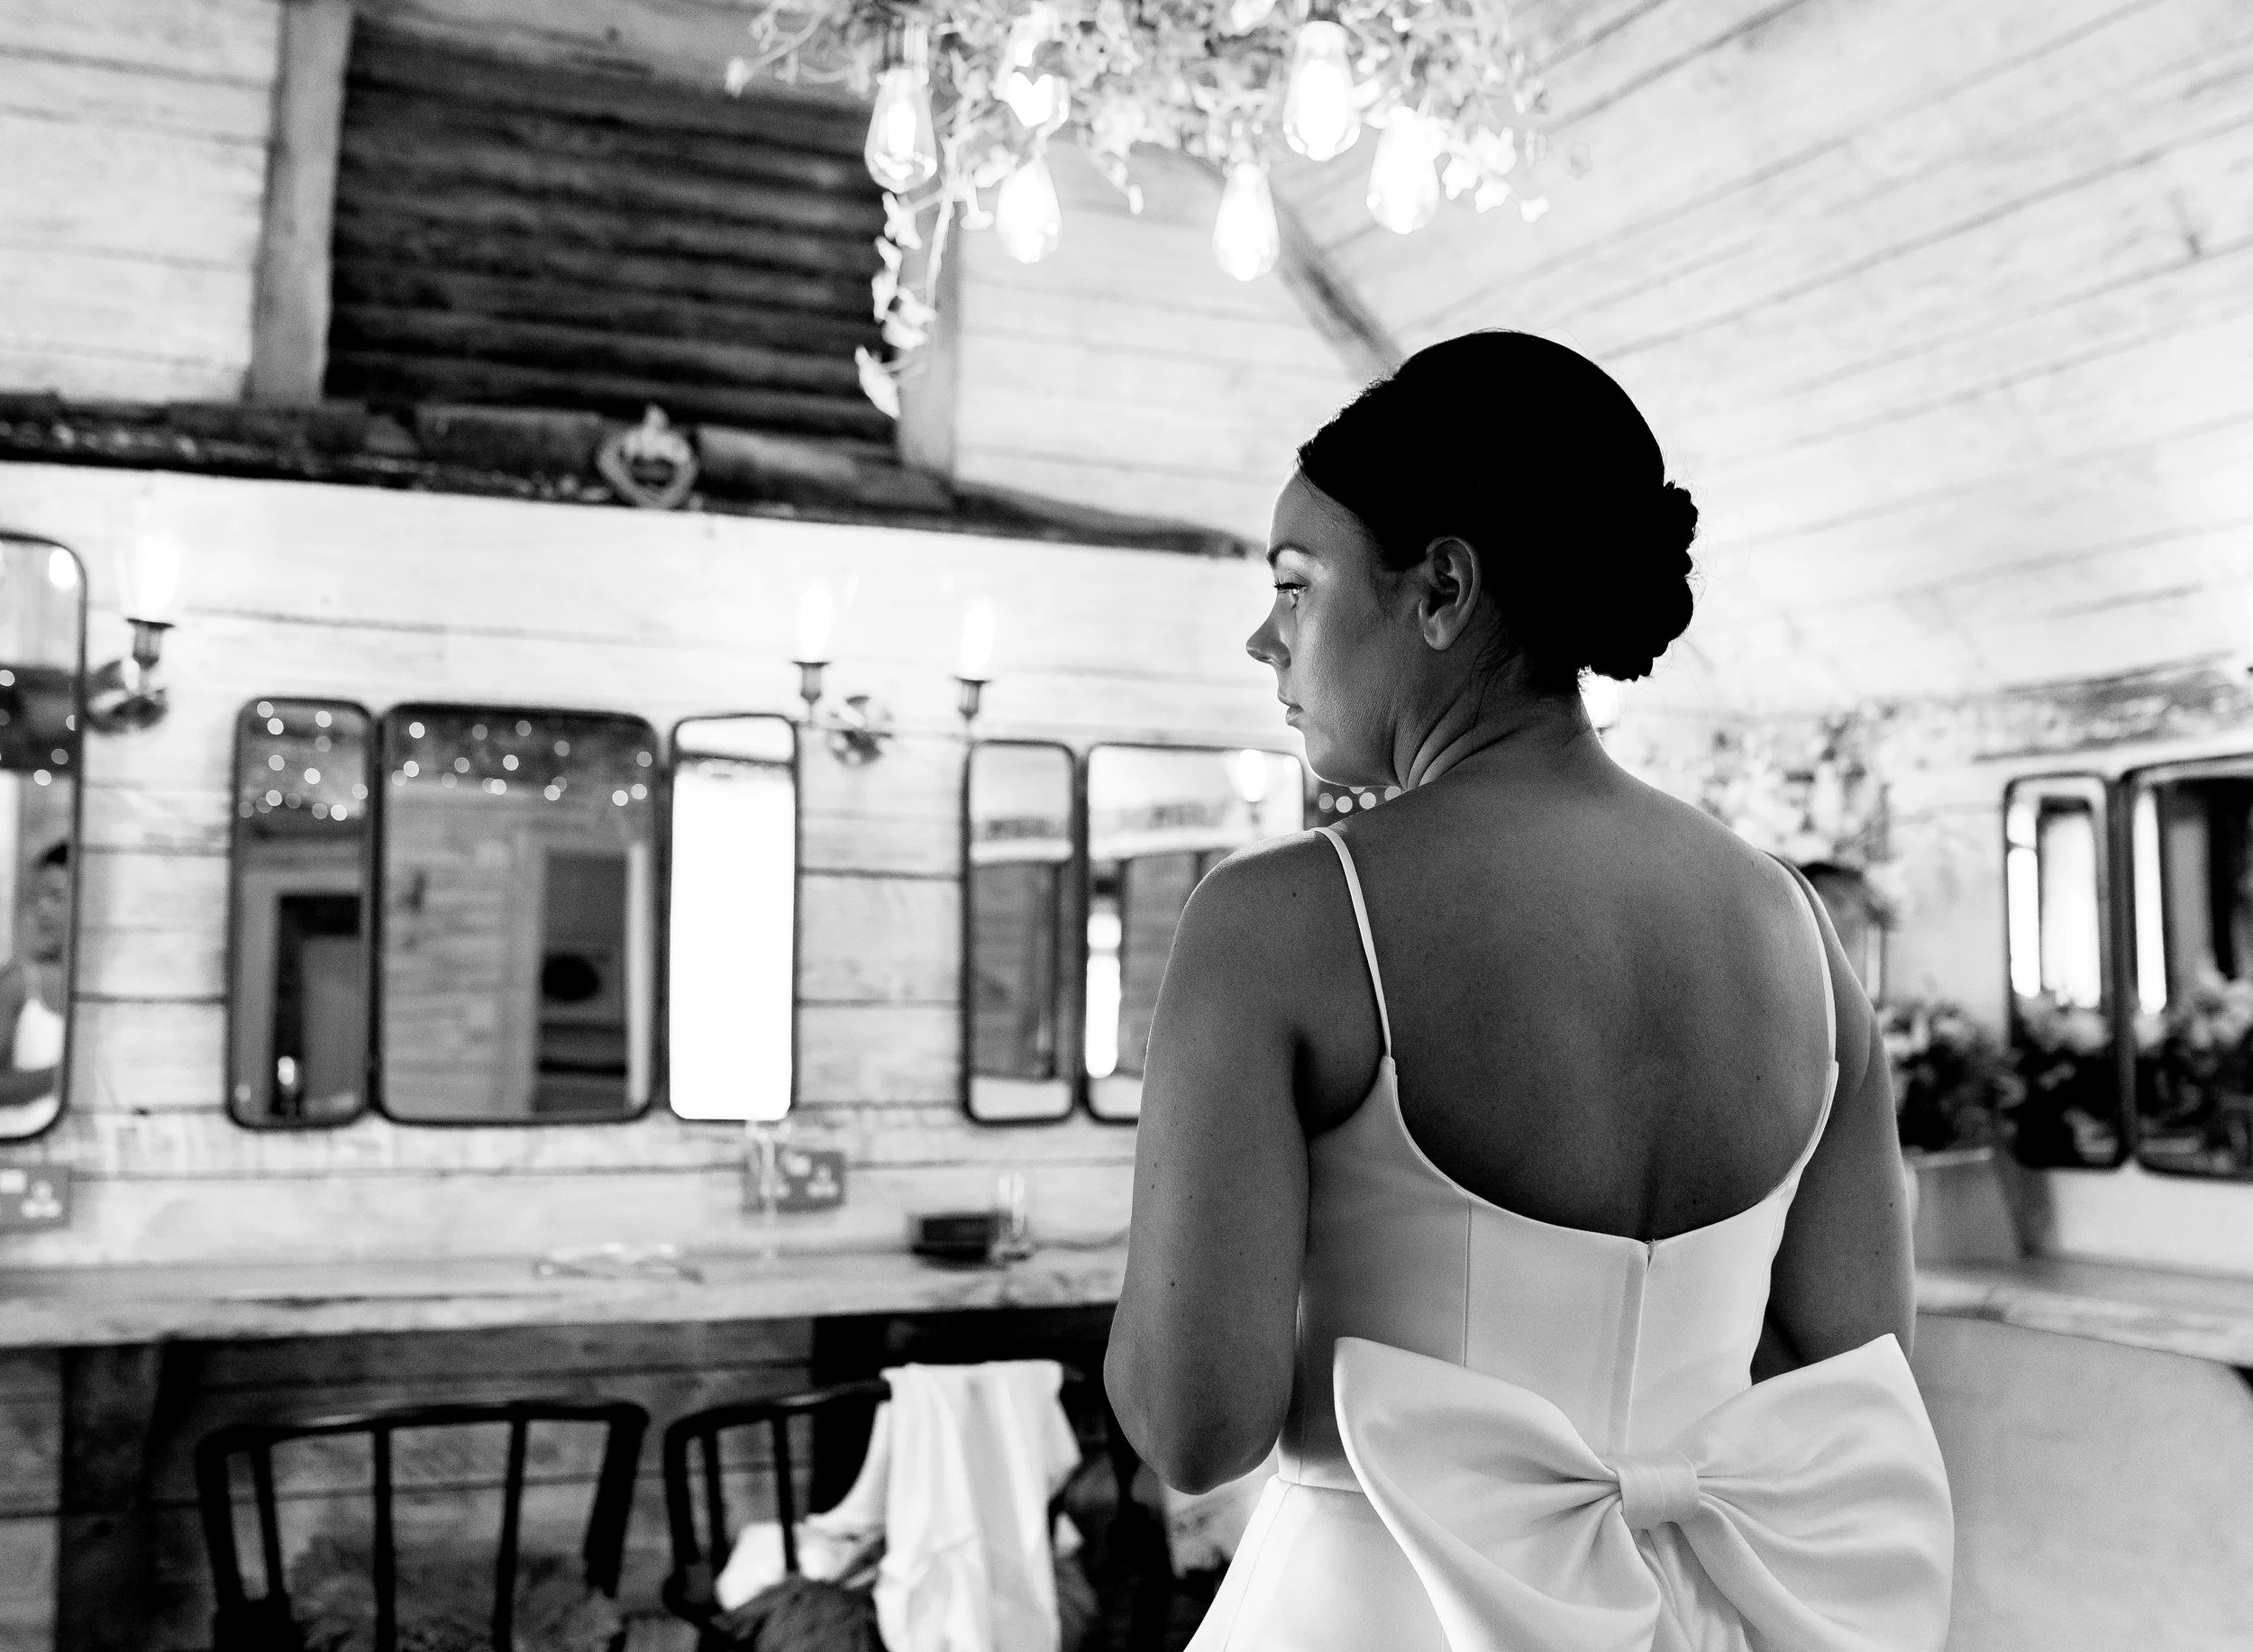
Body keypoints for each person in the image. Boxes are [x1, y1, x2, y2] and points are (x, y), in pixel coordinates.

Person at [1106, 333, 1951, 1651]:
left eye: (1295, 583)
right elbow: (1853, 1373)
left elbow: (1193, 1425)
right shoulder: (1796, 927)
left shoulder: (1280, 921)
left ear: (1442, 585)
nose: (1263, 637)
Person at [0, 839, 69, 1136]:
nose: (42, 910)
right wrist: (62, 1076)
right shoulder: (19, 984)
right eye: (36, 898)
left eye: (56, 897)